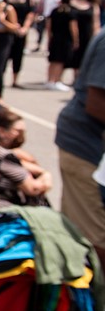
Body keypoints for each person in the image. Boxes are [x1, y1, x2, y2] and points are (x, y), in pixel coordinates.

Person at [56, 29, 105, 265]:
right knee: (93, 240)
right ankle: (93, 297)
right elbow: (96, 103)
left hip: (93, 149)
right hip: (87, 149)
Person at [6, 0, 36, 88]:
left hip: (21, 30)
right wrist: (11, 25)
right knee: (5, 55)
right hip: (7, 30)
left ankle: (15, 80)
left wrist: (25, 28)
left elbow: (31, 13)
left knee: (18, 55)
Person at [69, 0, 101, 80]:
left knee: (85, 58)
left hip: (87, 34)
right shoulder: (70, 3)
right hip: (72, 34)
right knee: (74, 58)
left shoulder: (93, 6)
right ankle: (74, 78)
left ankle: (81, 78)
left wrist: (96, 36)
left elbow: (96, 22)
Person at [46, 0, 77, 90]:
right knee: (60, 61)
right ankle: (57, 80)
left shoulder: (55, 11)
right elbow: (73, 28)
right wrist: (76, 40)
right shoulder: (70, 12)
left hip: (55, 38)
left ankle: (50, 80)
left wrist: (49, 37)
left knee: (53, 61)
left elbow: (49, 26)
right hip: (66, 40)